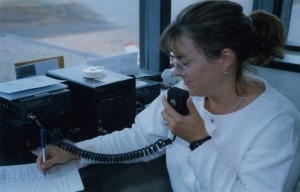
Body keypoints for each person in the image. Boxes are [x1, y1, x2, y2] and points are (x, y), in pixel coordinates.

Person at [37, 1, 300, 191]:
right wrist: (75, 151)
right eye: (174, 60)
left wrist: (199, 141)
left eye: (183, 62)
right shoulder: (187, 93)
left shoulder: (277, 122)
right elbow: (138, 137)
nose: (175, 71)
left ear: (224, 59)